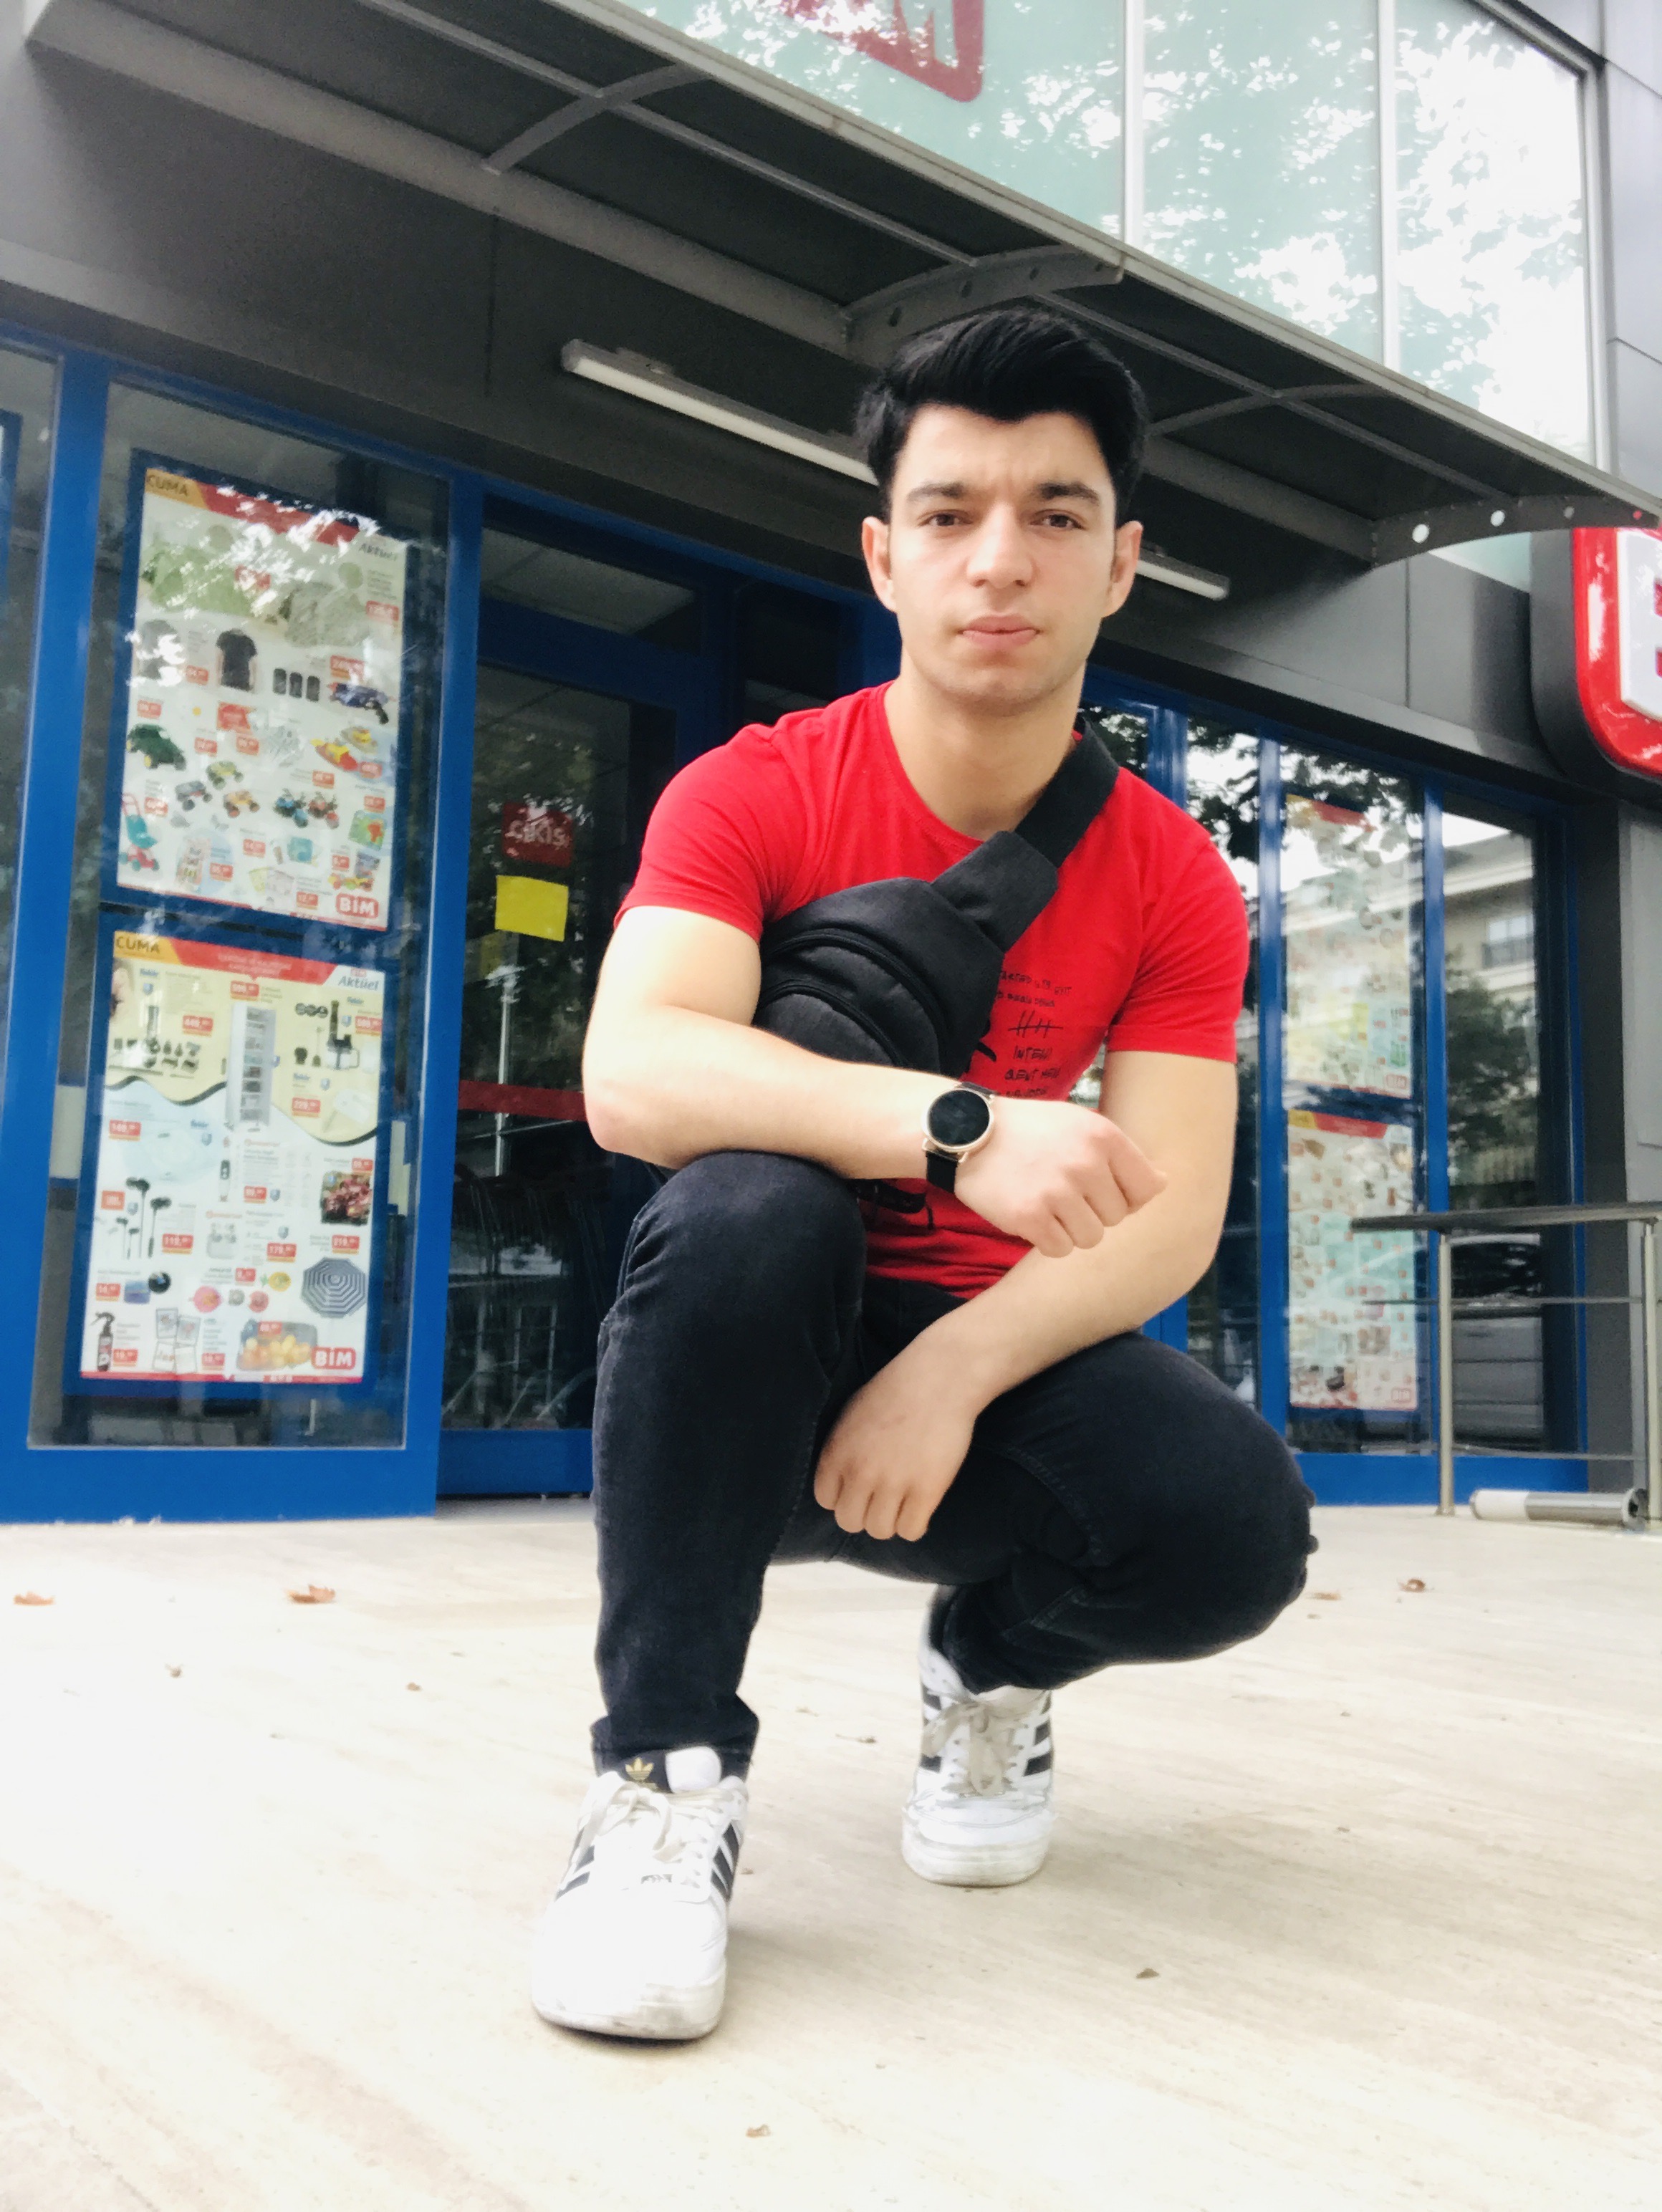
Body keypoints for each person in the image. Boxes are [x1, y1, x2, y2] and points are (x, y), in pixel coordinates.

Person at [531, 307, 1314, 2042]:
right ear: (884, 555)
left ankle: (989, 1665)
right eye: (949, 512)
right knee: (748, 1207)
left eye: (1052, 514)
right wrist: (963, 1126)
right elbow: (634, 1076)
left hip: (974, 1386)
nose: (997, 559)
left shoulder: (1172, 879)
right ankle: (660, 1778)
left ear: (1119, 564)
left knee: (1232, 1526)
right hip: (742, 1354)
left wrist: (949, 1373)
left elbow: (1171, 1210)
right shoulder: (754, 788)